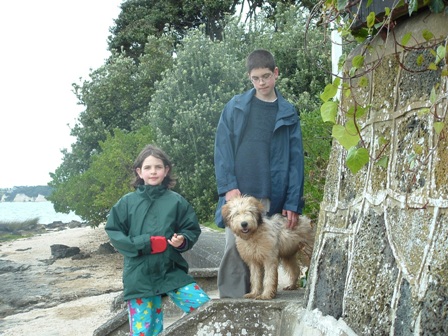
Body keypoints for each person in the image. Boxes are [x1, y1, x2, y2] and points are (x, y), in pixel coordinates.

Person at [214, 49, 305, 298]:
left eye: (266, 76)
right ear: (249, 78)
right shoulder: (235, 107)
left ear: (276, 73)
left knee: (267, 253)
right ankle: (232, 305)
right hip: (238, 195)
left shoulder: (288, 112)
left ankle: (263, 305)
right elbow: (222, 149)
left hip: (273, 194)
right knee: (235, 250)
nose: (262, 83)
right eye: (256, 78)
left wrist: (292, 201)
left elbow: (296, 161)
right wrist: (228, 187)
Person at [105, 144, 210, 336]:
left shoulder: (177, 201)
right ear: (139, 172)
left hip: (171, 270)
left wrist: (183, 240)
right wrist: (145, 243)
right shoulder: (126, 203)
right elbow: (114, 232)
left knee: (205, 309)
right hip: (139, 276)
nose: (153, 172)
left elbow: (191, 228)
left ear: (166, 170)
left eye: (158, 167)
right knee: (144, 331)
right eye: (147, 167)